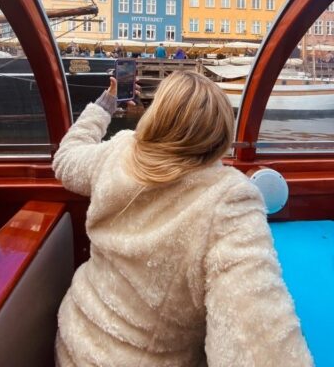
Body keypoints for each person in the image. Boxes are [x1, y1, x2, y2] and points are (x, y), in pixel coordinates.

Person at [51, 71, 311, 365]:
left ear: (157, 115)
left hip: (73, 342)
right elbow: (256, 336)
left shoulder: (117, 151)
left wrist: (106, 103)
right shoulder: (228, 199)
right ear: (221, 130)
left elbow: (66, 159)